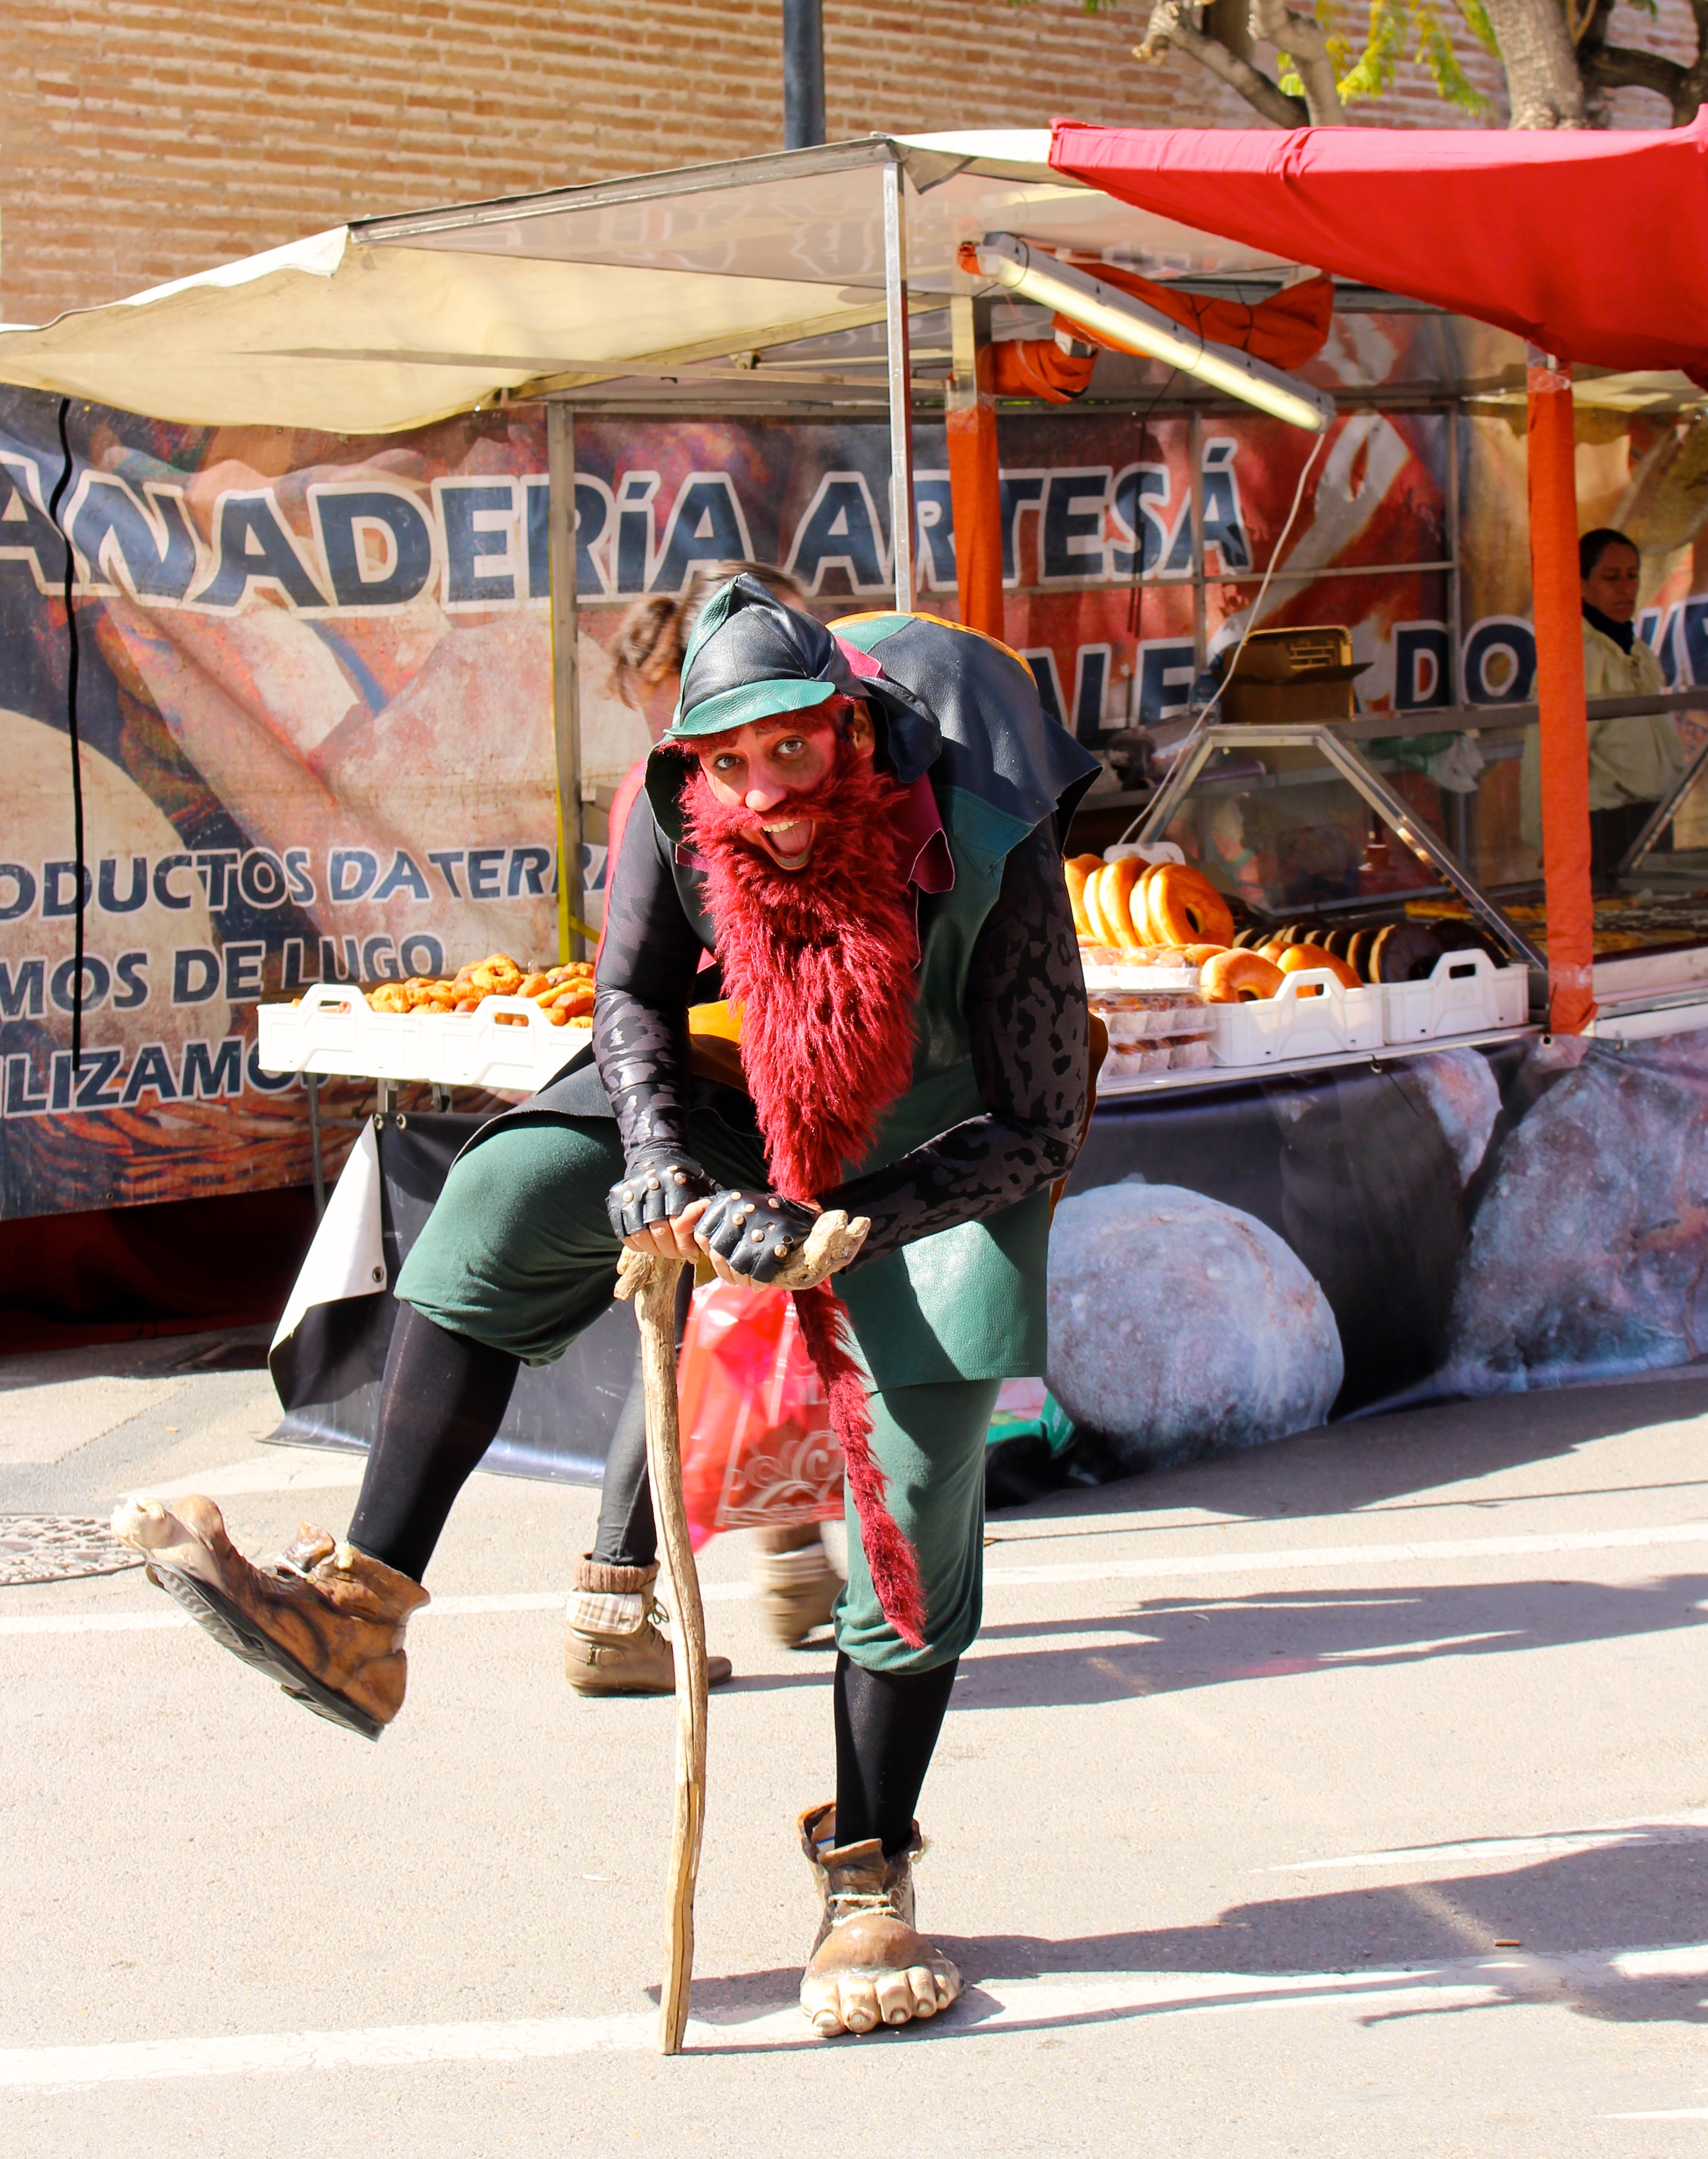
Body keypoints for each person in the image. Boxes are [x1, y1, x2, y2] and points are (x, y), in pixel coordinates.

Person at [113, 574, 1097, 2038]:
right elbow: (631, 994)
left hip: (942, 1125)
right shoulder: (671, 803)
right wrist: (645, 1159)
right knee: (500, 1200)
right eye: (729, 760)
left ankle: (869, 1866)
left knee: (913, 1473)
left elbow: (1042, 1116)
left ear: (845, 726)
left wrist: (846, 1225)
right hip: (727, 1086)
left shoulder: (988, 824)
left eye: (792, 751)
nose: (762, 791)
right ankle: (360, 1611)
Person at [590, 562, 848, 1677]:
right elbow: (643, 968)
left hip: (748, 1079)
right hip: (728, 1080)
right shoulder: (671, 790)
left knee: (729, 1322)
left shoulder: (714, 771)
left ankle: (783, 1562)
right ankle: (621, 1592)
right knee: (708, 1319)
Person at [1521, 527, 1686, 883]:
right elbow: (1549, 755)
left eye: (1632, 576)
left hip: (1654, 816)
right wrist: (1550, 839)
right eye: (1612, 578)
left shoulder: (1638, 652)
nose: (1626, 588)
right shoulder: (1574, 655)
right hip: (1603, 824)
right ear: (1581, 585)